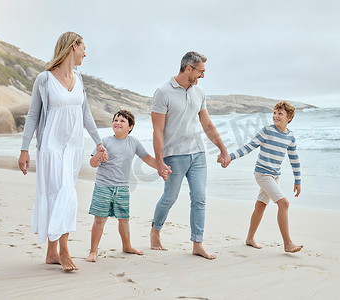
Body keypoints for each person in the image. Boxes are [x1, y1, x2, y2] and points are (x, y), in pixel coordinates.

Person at [18, 32, 106, 271]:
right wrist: (24, 149)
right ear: (73, 47)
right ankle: (65, 251)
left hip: (73, 148)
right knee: (64, 193)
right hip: (50, 147)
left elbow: (86, 114)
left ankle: (51, 253)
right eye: (84, 48)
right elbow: (34, 115)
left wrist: (99, 142)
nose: (85, 54)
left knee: (61, 194)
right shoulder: (44, 80)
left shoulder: (79, 79)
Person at [150, 51, 231, 260]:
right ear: (189, 69)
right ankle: (155, 230)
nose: (203, 76)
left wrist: (223, 149)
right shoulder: (163, 92)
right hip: (174, 155)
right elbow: (157, 131)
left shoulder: (199, 92)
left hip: (198, 153)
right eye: (201, 71)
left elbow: (207, 124)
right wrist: (159, 162)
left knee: (199, 198)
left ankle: (197, 243)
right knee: (170, 197)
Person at [85, 110, 170, 262]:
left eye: (122, 121)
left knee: (124, 219)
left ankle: (127, 246)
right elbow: (92, 163)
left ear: (130, 127)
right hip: (103, 185)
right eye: (116, 120)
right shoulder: (104, 141)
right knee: (99, 219)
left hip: (122, 187)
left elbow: (147, 158)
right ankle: (93, 251)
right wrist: (100, 154)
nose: (117, 122)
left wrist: (160, 167)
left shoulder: (134, 142)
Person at [223, 101, 303, 253]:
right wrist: (230, 157)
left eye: (280, 114)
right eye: (274, 113)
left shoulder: (290, 137)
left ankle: (250, 238)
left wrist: (298, 181)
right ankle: (288, 243)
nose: (276, 116)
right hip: (262, 174)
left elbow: (294, 160)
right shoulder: (267, 131)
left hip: (274, 176)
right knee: (284, 204)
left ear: (289, 118)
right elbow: (249, 147)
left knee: (260, 206)